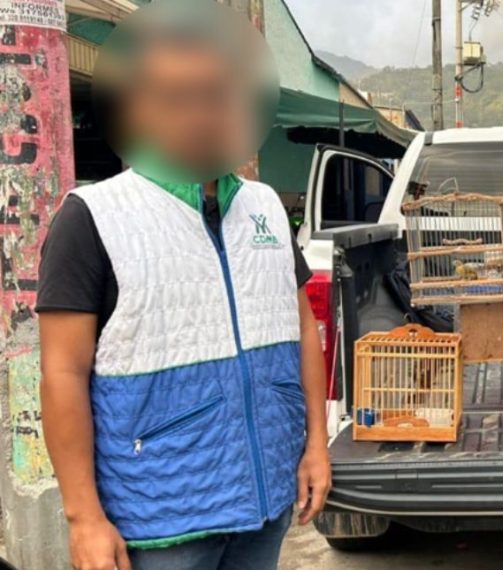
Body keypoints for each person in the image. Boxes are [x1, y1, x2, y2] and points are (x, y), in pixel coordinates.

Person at [36, 4, 330, 569]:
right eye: (177, 96)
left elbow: (301, 328)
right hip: (159, 516)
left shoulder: (263, 206)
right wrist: (84, 517)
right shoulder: (92, 217)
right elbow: (62, 374)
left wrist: (315, 444)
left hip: (264, 498)